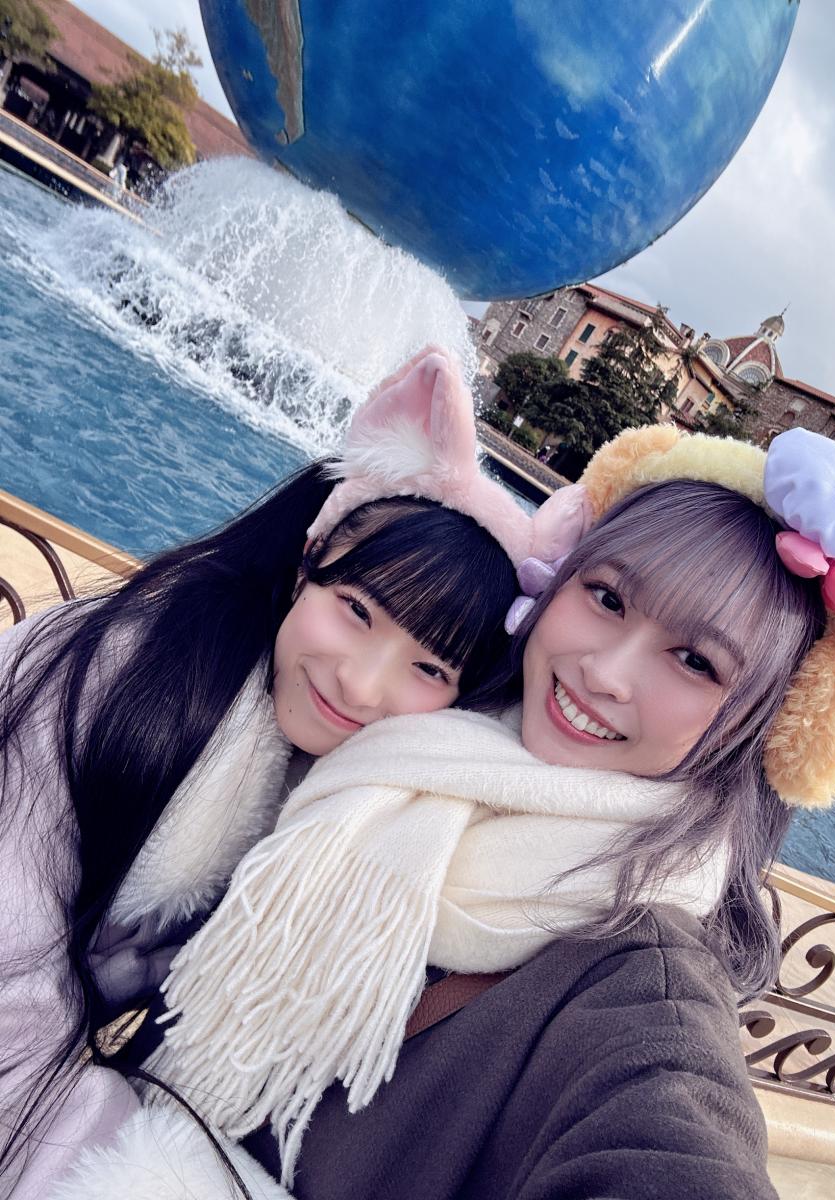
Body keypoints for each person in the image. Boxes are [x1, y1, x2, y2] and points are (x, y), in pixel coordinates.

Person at [59, 422, 835, 1200]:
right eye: (607, 597)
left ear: (763, 726)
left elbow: (672, 1145)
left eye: (695, 661)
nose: (605, 672)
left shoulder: (645, 985)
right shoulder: (406, 739)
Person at [1, 348, 579, 1199]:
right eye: (357, 610)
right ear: (307, 560)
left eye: (429, 668)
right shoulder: (121, 671)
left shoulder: (349, 801)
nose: (362, 685)